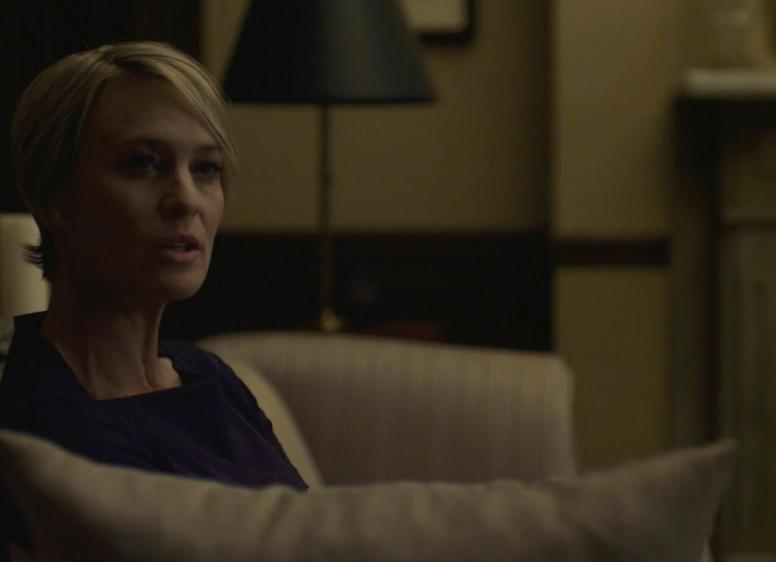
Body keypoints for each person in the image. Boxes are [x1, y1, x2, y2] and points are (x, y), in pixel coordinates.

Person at [0, 42, 307, 559]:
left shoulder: (206, 376)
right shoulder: (48, 436)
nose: (186, 199)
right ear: (54, 197)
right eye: (143, 164)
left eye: (205, 169)